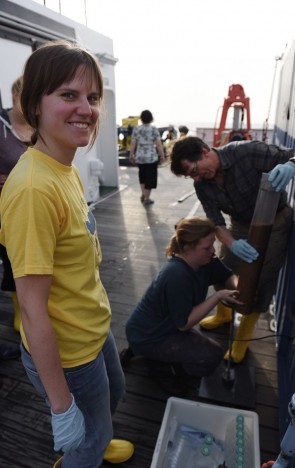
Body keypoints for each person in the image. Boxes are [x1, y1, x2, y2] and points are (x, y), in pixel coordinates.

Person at [0, 40, 134, 468]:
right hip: (69, 351)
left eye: (92, 97)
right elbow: (32, 306)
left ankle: (99, 434)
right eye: (68, 95)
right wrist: (61, 406)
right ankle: (87, 449)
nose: (86, 109)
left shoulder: (63, 167)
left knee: (115, 396)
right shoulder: (34, 189)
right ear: (35, 105)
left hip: (92, 328)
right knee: (86, 443)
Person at [170, 137, 295, 363]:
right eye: (190, 176)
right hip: (242, 222)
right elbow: (216, 222)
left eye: (193, 170)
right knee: (220, 265)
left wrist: (291, 165)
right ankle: (224, 315)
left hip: (275, 219)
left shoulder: (246, 152)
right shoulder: (201, 185)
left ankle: (243, 338)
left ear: (205, 152)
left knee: (262, 277)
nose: (195, 178)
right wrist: (232, 243)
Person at [125, 216, 242, 395]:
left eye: (213, 244)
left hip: (160, 326)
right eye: (207, 247)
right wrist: (217, 296)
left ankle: (144, 352)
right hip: (150, 335)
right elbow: (184, 324)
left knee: (201, 349)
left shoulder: (206, 260)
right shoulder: (176, 275)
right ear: (188, 248)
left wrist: (239, 289)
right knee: (212, 355)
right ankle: (158, 367)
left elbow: (227, 276)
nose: (213, 250)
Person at [0, 76, 33, 338]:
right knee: (13, 261)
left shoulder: (41, 123)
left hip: (35, 205)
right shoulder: (1, 125)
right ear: (14, 95)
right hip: (5, 209)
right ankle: (21, 314)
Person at [129, 109, 165, 206]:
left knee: (142, 176)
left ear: (141, 118)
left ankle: (143, 194)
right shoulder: (153, 129)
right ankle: (146, 198)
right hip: (151, 157)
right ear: (151, 118)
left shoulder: (137, 128)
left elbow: (133, 143)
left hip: (140, 156)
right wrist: (162, 155)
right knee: (150, 178)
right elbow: (158, 144)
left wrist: (131, 154)